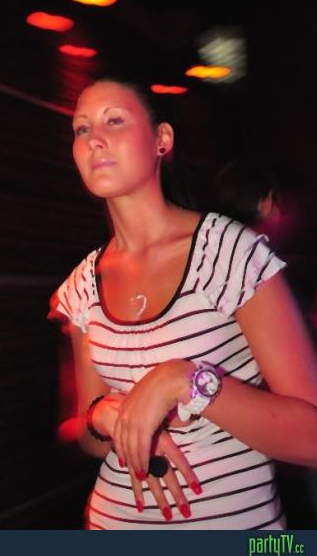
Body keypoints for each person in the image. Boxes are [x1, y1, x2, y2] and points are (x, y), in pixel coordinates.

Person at [48, 79, 317, 529]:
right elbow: (88, 437)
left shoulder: (229, 253)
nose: (94, 139)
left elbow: (311, 439)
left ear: (162, 139)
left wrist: (185, 382)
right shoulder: (83, 284)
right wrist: (102, 416)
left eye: (114, 121)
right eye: (81, 129)